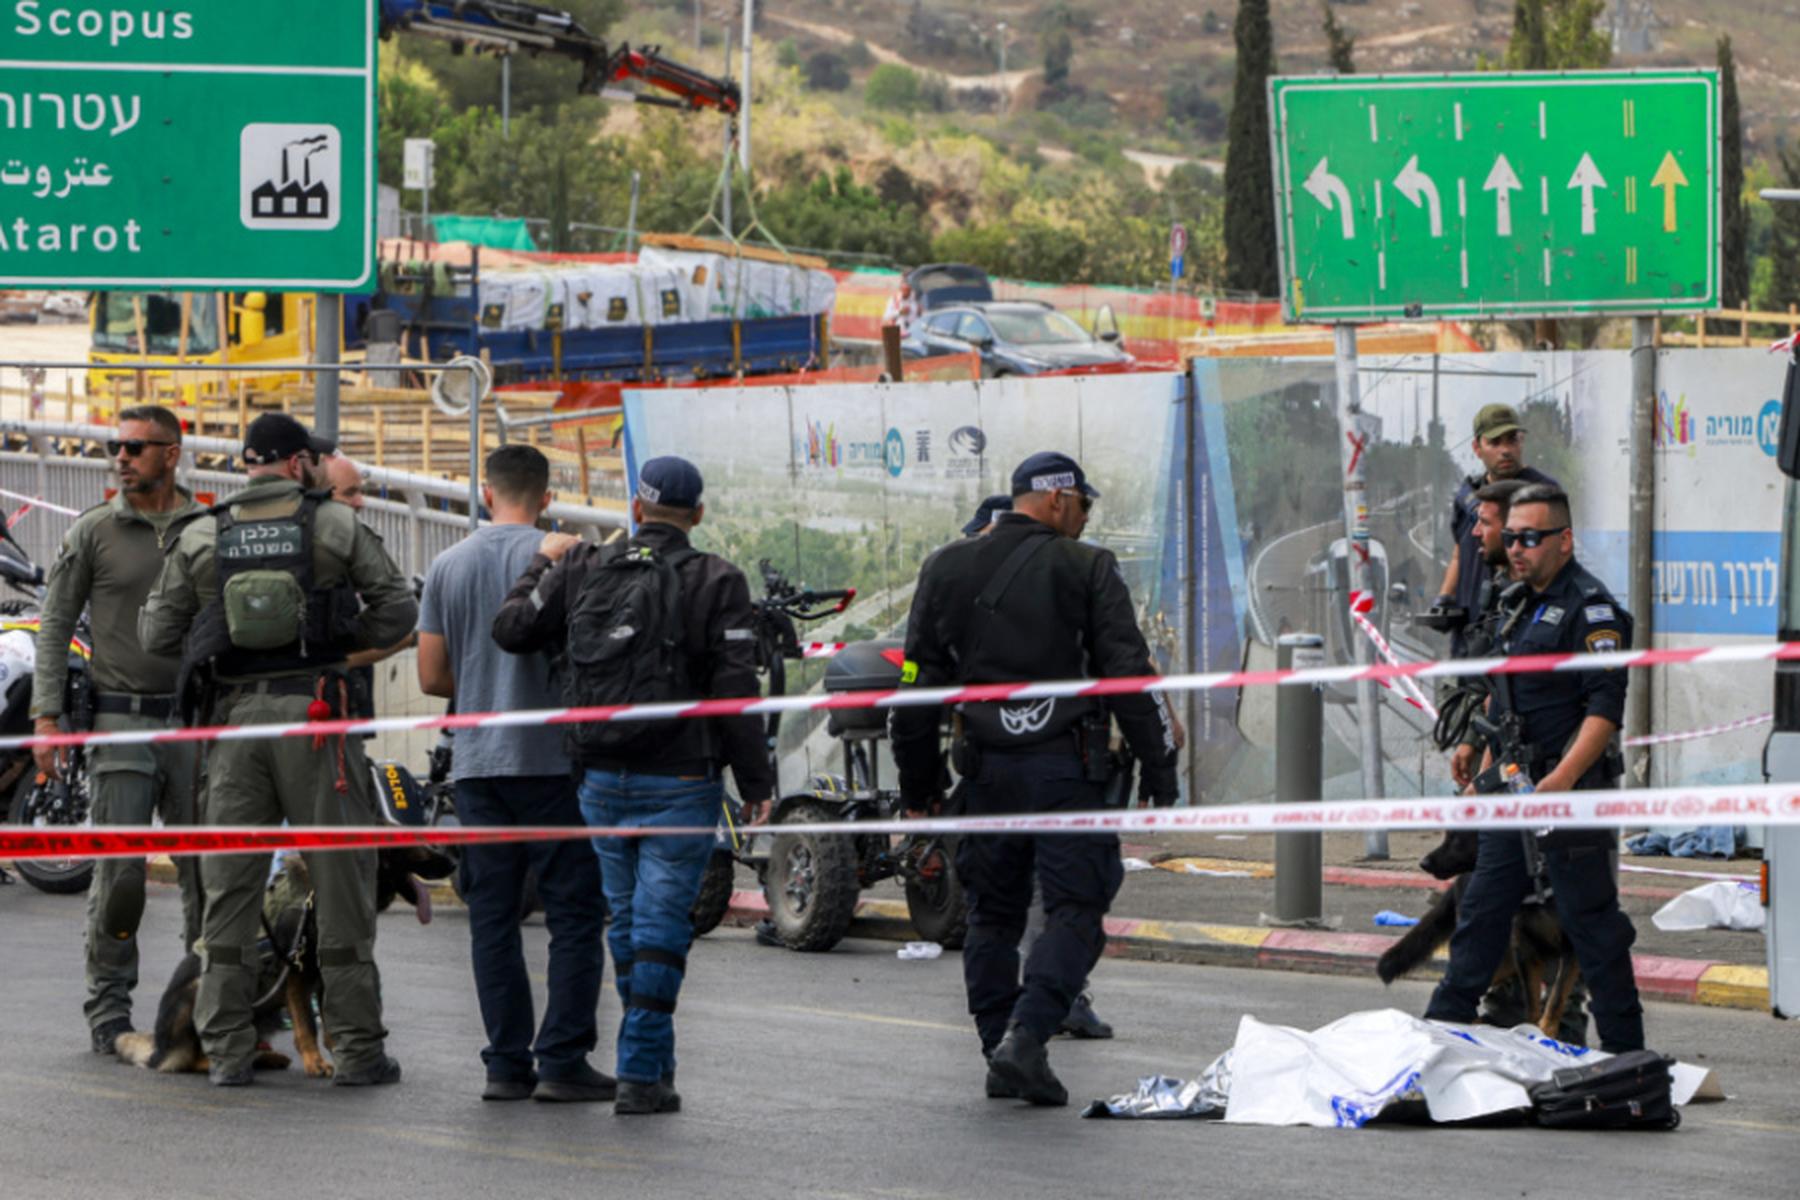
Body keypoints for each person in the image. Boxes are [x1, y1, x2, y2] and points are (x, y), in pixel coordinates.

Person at [892, 451, 1180, 1106]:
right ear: (1056, 500)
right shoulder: (1087, 567)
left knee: (992, 915)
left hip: (986, 773)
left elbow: (913, 688)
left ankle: (999, 1045)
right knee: (1076, 909)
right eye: (1083, 504)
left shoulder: (945, 567)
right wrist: (1160, 765)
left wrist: (919, 789)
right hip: (1066, 772)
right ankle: (1025, 1040)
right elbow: (1129, 675)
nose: (1083, 517)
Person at [139, 412, 418, 1087]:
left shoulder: (204, 531)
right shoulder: (334, 525)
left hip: (235, 728)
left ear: (246, 463)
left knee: (230, 893)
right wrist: (339, 644)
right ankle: (357, 1052)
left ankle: (228, 1053)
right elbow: (399, 611)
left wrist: (220, 636)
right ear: (298, 464)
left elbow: (155, 633)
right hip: (317, 716)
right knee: (342, 887)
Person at [492, 455, 772, 1116]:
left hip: (597, 778)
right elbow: (735, 690)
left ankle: (654, 1064)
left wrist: (543, 560)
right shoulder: (717, 579)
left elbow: (512, 629)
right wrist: (756, 779)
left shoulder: (583, 565)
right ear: (697, 515)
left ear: (637, 510)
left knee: (631, 924)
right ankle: (642, 1072)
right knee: (659, 924)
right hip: (680, 777)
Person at [417, 446, 611, 1103]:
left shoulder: (447, 564)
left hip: (476, 766)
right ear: (546, 493)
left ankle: (505, 1064)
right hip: (554, 762)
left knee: (492, 918)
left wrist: (478, 684)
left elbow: (430, 677)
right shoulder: (569, 556)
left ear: (485, 490)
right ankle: (561, 1060)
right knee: (575, 913)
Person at [1423, 483, 1643, 1053]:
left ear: (1564, 541)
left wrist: (1561, 781)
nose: (1515, 548)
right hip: (1514, 795)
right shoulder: (1517, 604)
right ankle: (1432, 1039)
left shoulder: (1592, 612)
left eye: (1529, 537)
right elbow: (1506, 697)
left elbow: (1604, 711)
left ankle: (1628, 1061)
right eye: (1511, 536)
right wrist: (1482, 759)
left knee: (1591, 929)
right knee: (1479, 918)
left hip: (1567, 797)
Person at [32, 405, 208, 1055]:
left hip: (196, 725)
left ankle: (209, 1007)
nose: (123, 456)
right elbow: (54, 625)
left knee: (206, 877)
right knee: (122, 876)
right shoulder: (95, 532)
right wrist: (47, 720)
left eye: (137, 446)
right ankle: (109, 1011)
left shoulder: (206, 528)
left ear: (172, 452)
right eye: (118, 446)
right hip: (120, 720)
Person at [1433, 404, 1558, 656]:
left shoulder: (1542, 493)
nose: (1505, 450)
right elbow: (1461, 551)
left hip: (1518, 636)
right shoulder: (1467, 498)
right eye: (1495, 442)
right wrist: (1445, 598)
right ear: (1477, 448)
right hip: (1469, 638)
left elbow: (1556, 560)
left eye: (1512, 440)